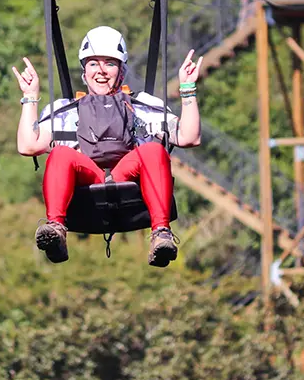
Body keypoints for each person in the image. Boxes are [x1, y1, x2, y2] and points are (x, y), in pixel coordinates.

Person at [13, 26, 203, 268]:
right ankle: (56, 229)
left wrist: (188, 90)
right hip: (86, 181)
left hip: (129, 178)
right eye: (93, 64)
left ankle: (161, 234)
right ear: (84, 71)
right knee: (61, 153)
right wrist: (30, 97)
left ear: (121, 71)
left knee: (154, 150)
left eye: (109, 64)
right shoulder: (66, 111)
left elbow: (189, 137)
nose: (101, 71)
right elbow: (28, 146)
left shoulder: (143, 106)